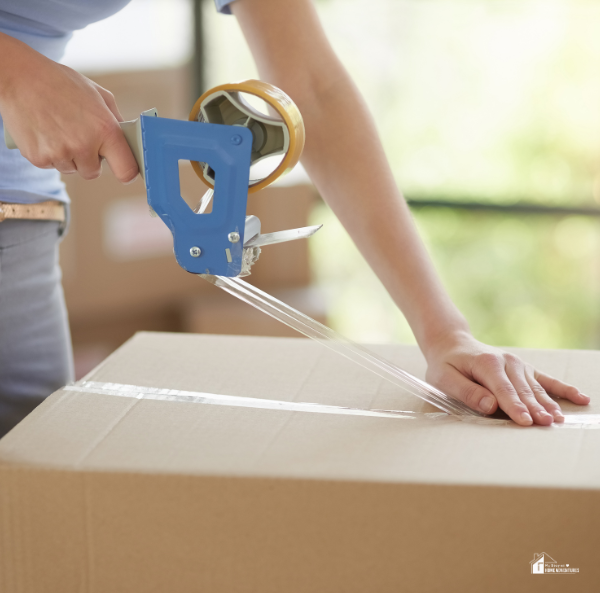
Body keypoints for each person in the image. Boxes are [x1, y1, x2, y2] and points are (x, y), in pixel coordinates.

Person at [0, 0, 590, 437]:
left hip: (17, 201)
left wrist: (443, 331)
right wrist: (18, 74)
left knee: (30, 480)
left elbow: (311, 87)